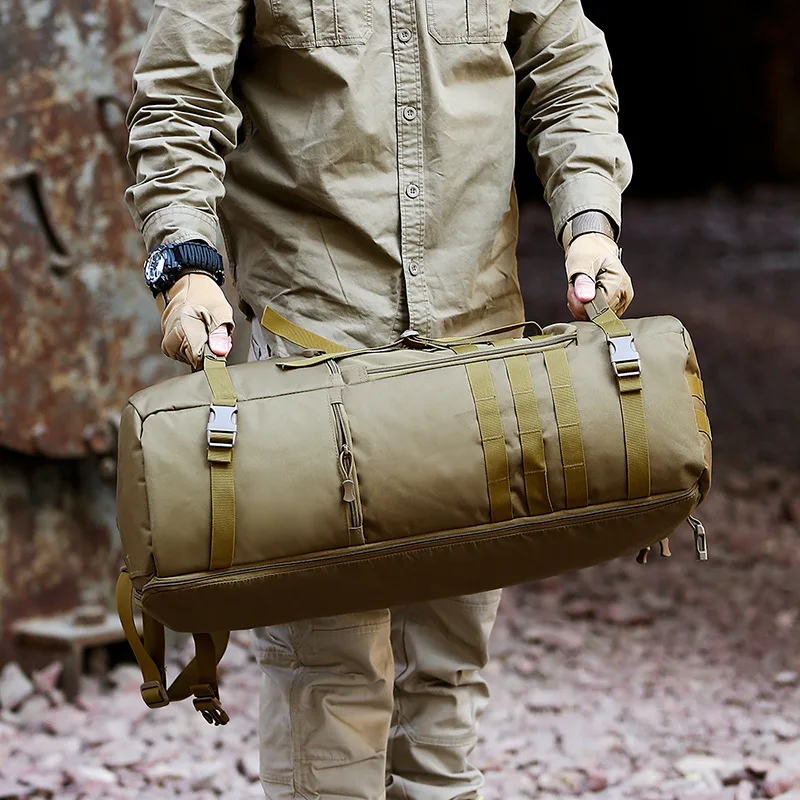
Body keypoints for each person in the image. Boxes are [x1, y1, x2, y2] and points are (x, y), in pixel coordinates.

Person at [125, 0, 633, 796]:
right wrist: (186, 267)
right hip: (312, 357)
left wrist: (590, 220)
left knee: (449, 666)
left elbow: (565, 74)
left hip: (476, 349)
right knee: (329, 671)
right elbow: (181, 101)